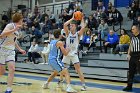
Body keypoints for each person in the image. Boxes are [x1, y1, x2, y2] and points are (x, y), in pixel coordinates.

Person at [0, 13, 26, 93]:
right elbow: (2, 35)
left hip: (11, 51)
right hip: (2, 49)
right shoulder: (10, 25)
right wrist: (14, 30)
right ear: (19, 19)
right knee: (2, 71)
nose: (22, 21)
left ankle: (8, 89)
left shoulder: (18, 30)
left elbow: (14, 41)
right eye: (22, 19)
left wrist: (20, 49)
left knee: (12, 69)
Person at [61, 14, 87, 91]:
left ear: (75, 26)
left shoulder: (78, 34)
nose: (70, 26)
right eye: (70, 25)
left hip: (74, 54)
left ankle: (84, 85)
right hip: (66, 53)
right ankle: (61, 80)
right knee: (62, 69)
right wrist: (72, 18)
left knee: (78, 70)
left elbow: (83, 27)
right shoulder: (67, 33)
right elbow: (65, 24)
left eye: (72, 25)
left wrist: (82, 18)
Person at [123, 25, 140, 91]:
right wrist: (128, 54)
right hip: (133, 55)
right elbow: (131, 45)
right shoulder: (132, 36)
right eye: (131, 29)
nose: (131, 30)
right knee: (131, 72)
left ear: (137, 29)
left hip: (139, 55)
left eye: (133, 29)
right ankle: (129, 86)